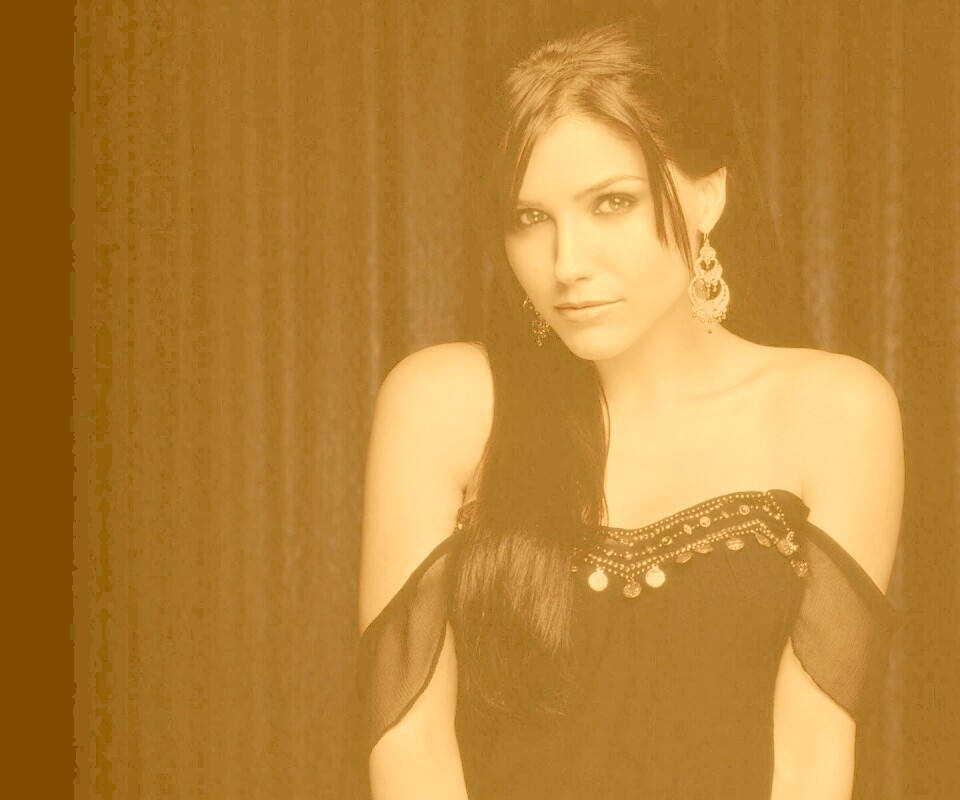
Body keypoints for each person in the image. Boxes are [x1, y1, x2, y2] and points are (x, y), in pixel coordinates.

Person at [357, 12, 903, 800]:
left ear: (708, 195)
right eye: (529, 218)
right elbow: (412, 748)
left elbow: (810, 758)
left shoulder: (836, 413)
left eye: (611, 203)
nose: (566, 263)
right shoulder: (444, 403)